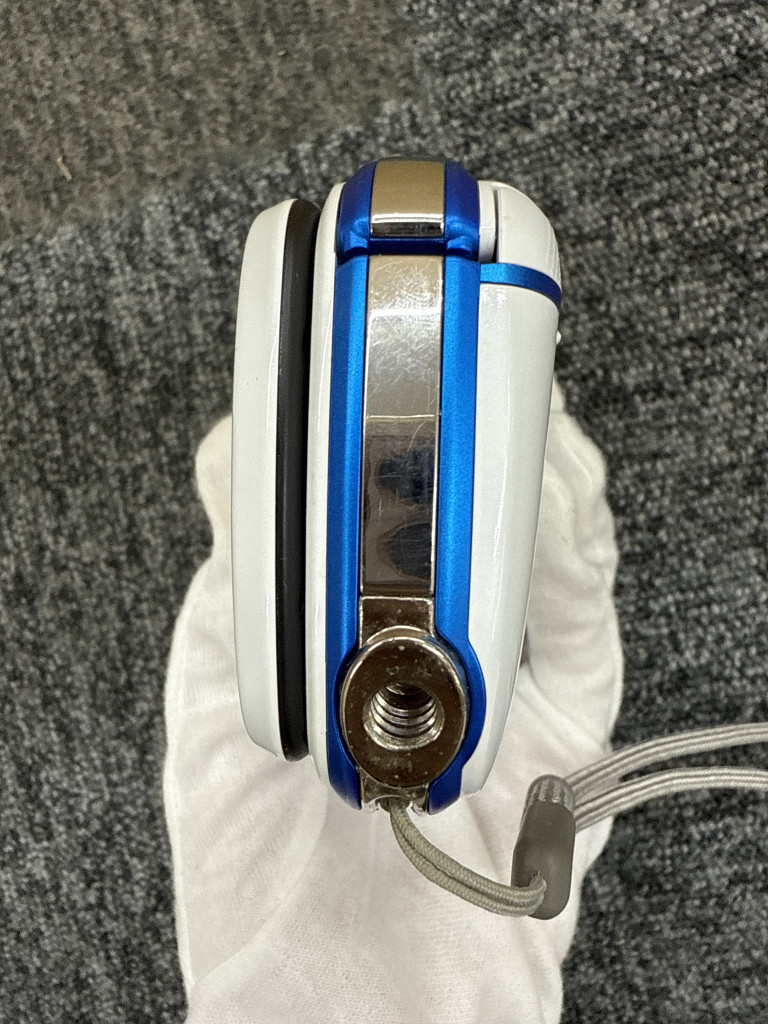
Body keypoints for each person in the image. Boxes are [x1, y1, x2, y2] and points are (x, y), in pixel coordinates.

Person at [163, 381, 623, 1023]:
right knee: (564, 640)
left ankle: (289, 427)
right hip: (495, 948)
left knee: (251, 671)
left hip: (269, 985)